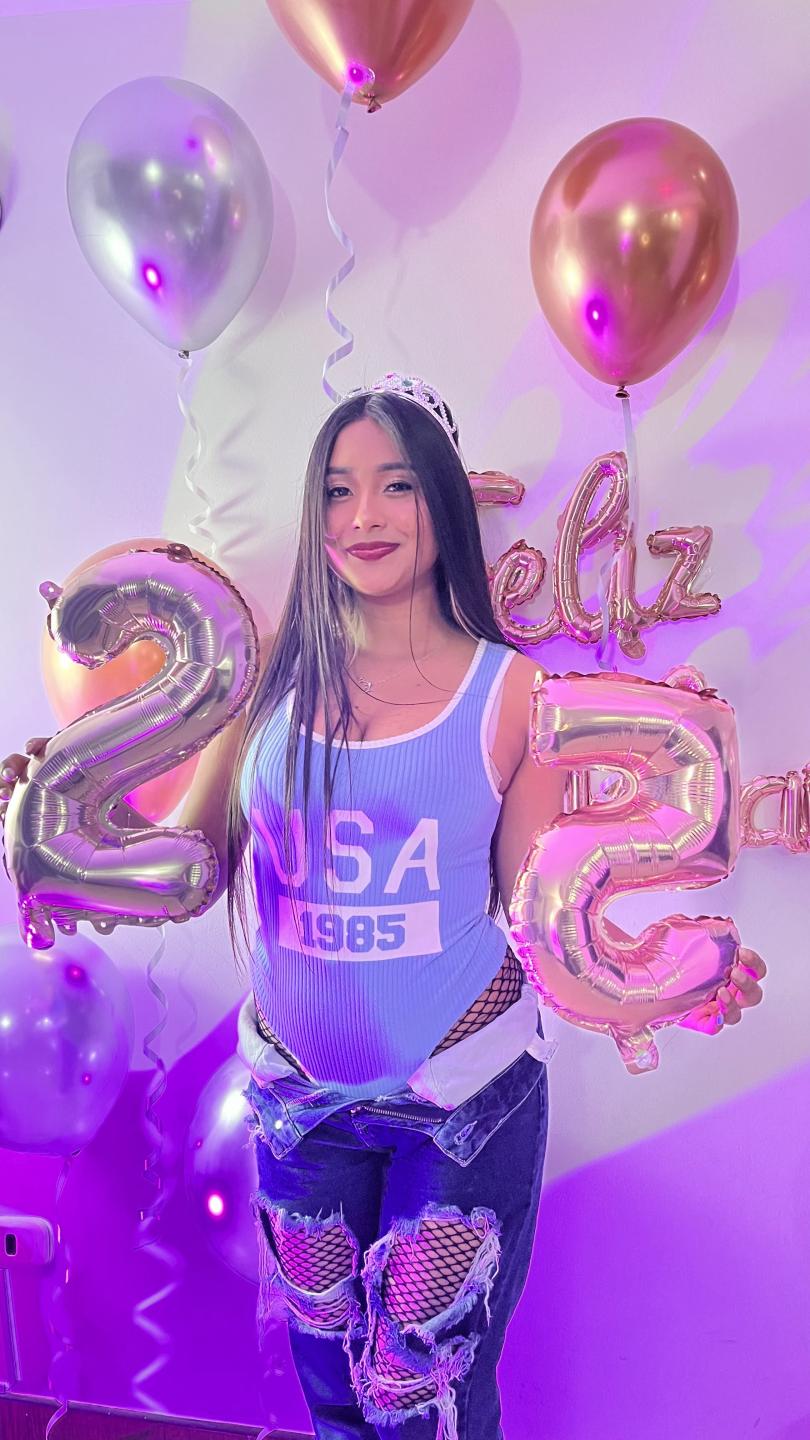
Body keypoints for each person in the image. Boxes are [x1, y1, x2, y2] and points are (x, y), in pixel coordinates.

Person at [0, 373, 766, 1440]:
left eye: (397, 485)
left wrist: (671, 985)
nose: (365, 516)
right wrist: (70, 818)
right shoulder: (264, 680)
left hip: (460, 1105)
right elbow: (196, 856)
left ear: (442, 503)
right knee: (332, 1399)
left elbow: (538, 908)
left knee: (421, 1401)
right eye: (338, 489)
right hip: (298, 1110)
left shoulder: (510, 694)